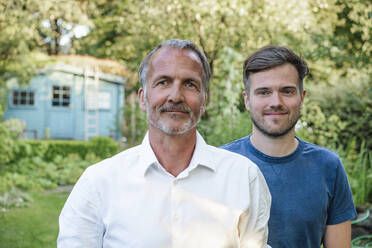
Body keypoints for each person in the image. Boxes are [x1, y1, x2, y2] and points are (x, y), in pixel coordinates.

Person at [57, 39, 271, 248]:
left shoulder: (244, 178)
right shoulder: (99, 183)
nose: (175, 96)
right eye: (163, 82)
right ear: (142, 98)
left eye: (189, 84)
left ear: (204, 101)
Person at [221, 45, 356, 248]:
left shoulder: (329, 167)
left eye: (287, 91)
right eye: (264, 92)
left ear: (301, 98)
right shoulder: (221, 164)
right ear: (247, 100)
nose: (276, 102)